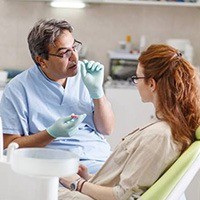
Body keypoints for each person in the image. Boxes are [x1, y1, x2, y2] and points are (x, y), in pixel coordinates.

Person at [57, 44, 200, 200]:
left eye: (136, 78)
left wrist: (77, 183)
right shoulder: (170, 128)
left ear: (152, 84)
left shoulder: (159, 136)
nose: (136, 83)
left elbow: (122, 196)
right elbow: (130, 179)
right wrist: (89, 178)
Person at [0, 19, 114, 174]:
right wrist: (51, 133)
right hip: (57, 167)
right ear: (42, 60)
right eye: (64, 53)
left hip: (101, 160)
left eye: (74, 48)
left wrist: (97, 93)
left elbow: (107, 129)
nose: (74, 57)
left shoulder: (85, 75)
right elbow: (10, 147)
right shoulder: (18, 89)